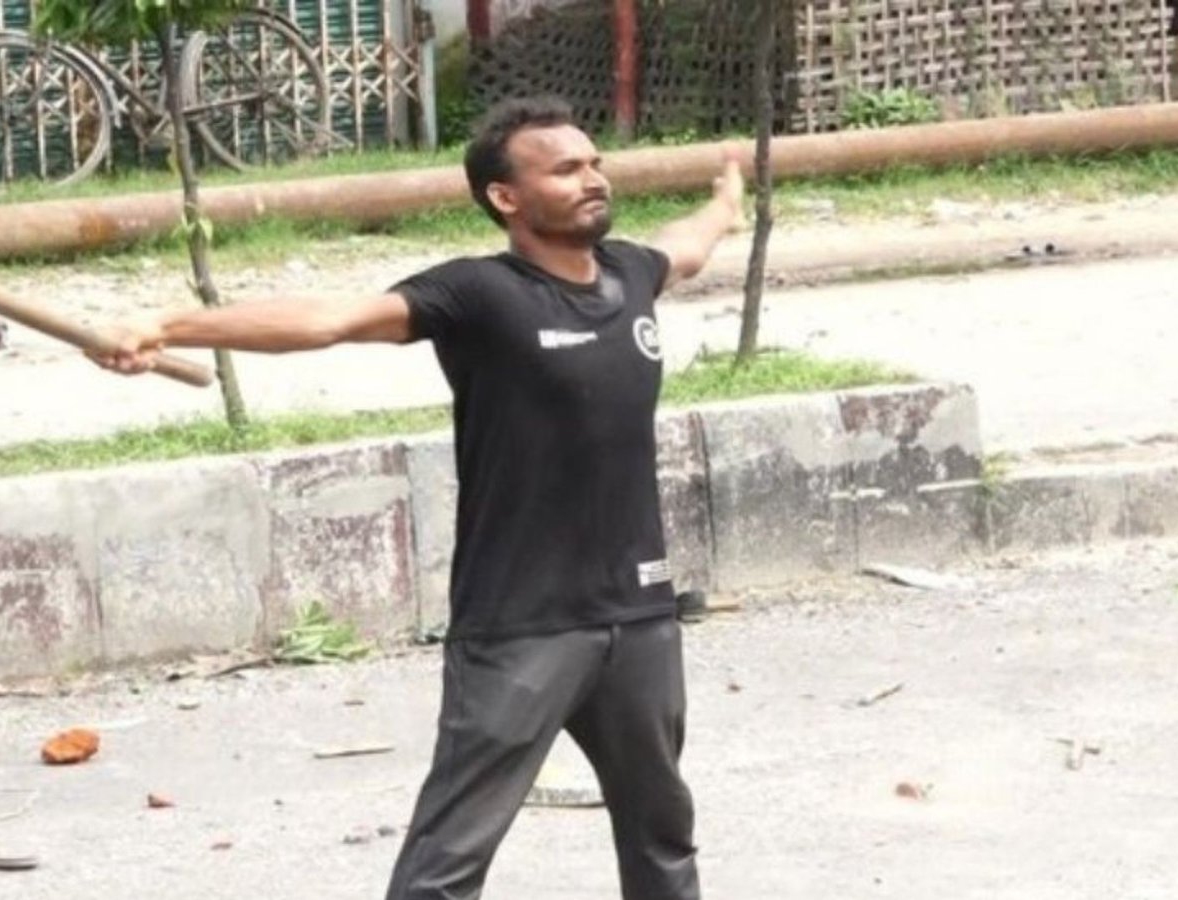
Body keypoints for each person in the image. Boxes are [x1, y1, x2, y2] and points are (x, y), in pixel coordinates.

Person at [92, 96, 745, 900]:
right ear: (506, 197)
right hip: (522, 625)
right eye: (566, 170)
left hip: (639, 617)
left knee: (663, 837)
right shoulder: (478, 294)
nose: (592, 179)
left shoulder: (629, 274)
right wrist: (165, 324)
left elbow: (688, 248)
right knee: (449, 863)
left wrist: (725, 204)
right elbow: (330, 320)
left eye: (595, 164)